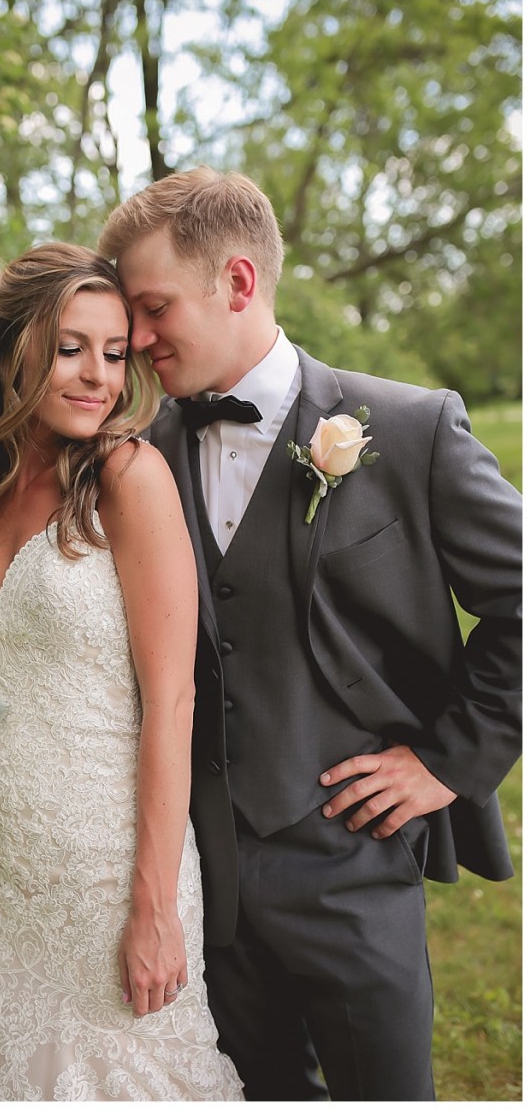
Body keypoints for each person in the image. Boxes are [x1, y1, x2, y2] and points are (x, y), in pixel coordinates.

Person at [98, 167, 522, 1102]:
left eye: (154, 306)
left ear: (238, 282)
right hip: (202, 885)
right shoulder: (138, 456)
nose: (135, 338)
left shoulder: (411, 431)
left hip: (355, 864)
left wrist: (448, 761)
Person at [0, 242, 243, 1100]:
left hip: (110, 863)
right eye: (70, 349)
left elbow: (172, 700)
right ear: (13, 349)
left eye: (116, 352)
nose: (100, 376)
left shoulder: (129, 477)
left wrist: (155, 906)